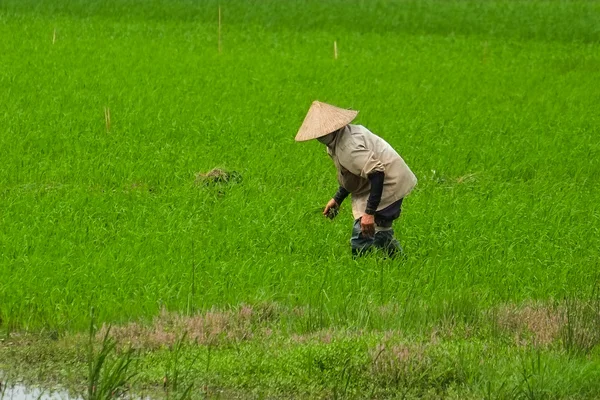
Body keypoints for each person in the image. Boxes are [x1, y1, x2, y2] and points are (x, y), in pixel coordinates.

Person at [295, 101, 417, 257]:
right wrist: (338, 198)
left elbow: (377, 173)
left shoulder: (348, 146)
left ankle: (360, 267)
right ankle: (400, 261)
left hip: (389, 181)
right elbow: (353, 172)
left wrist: (369, 213)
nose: (319, 137)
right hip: (377, 179)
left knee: (363, 231)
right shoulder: (336, 141)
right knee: (380, 233)